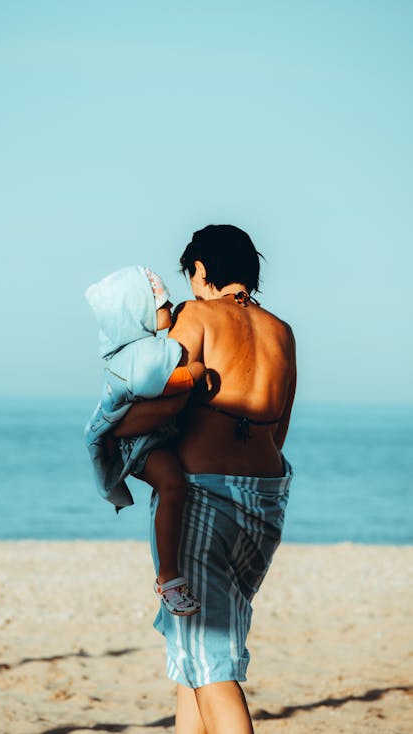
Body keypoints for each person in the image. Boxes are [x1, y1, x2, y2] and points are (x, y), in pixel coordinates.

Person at [112, 225, 297, 734]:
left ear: (200, 270)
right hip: (265, 502)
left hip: (203, 499)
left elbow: (159, 396)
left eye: (190, 274)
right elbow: (279, 427)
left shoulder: (197, 316)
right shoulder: (282, 332)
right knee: (192, 652)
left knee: (211, 665)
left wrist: (115, 431)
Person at [84, 265, 205, 616]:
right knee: (172, 487)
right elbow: (167, 383)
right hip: (136, 443)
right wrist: (197, 373)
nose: (171, 308)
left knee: (174, 487)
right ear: (138, 313)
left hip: (148, 437)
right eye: (162, 303)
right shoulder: (140, 355)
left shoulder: (140, 349)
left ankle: (171, 572)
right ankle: (168, 577)